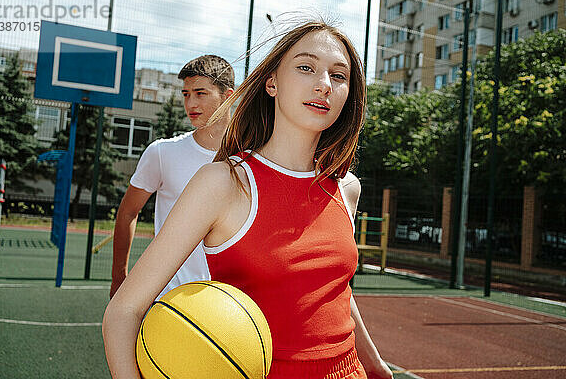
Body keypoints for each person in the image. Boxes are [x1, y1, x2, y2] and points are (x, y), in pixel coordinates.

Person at [103, 21, 393, 379]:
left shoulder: (347, 187)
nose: (324, 84)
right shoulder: (223, 182)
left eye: (338, 75)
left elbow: (336, 292)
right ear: (272, 83)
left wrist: (375, 363)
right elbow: (123, 312)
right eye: (306, 67)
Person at [109, 55, 235, 299]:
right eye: (186, 94)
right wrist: (119, 277)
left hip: (227, 303)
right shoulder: (163, 153)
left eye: (200, 93)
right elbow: (128, 212)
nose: (190, 104)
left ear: (227, 96)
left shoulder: (251, 158)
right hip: (168, 299)